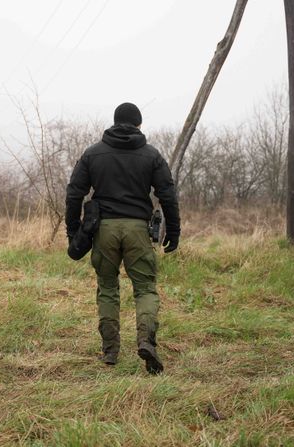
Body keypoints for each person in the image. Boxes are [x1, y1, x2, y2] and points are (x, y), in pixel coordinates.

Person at [66, 102, 180, 375]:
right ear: (139, 125)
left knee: (107, 287)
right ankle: (146, 341)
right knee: (145, 289)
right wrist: (173, 231)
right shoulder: (151, 155)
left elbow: (74, 193)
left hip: (103, 229)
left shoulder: (93, 154)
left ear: (114, 122)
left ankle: (110, 351)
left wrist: (74, 231)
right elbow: (167, 195)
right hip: (138, 230)